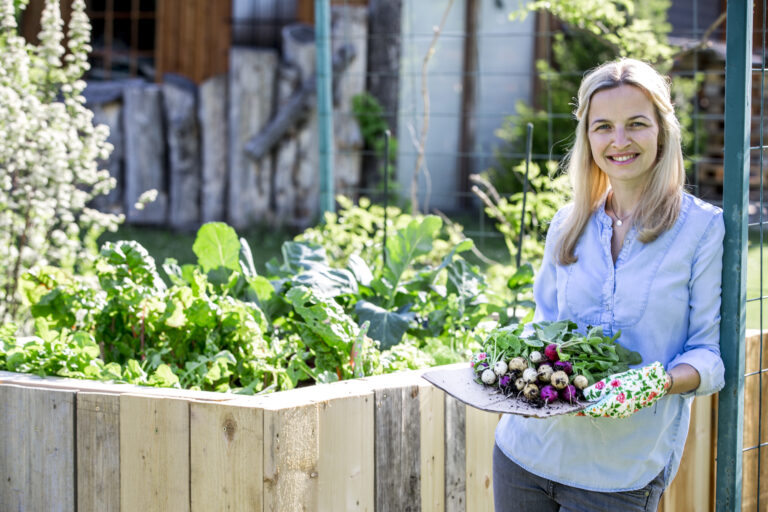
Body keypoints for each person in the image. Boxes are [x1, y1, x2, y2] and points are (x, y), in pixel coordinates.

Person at [492, 58, 725, 512]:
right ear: (587, 137)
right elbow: (544, 326)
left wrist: (655, 383)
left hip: (620, 471)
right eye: (603, 127)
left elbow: (709, 354)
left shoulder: (701, 228)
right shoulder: (568, 223)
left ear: (662, 129)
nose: (619, 141)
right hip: (526, 453)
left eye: (636, 124)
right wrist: (509, 357)